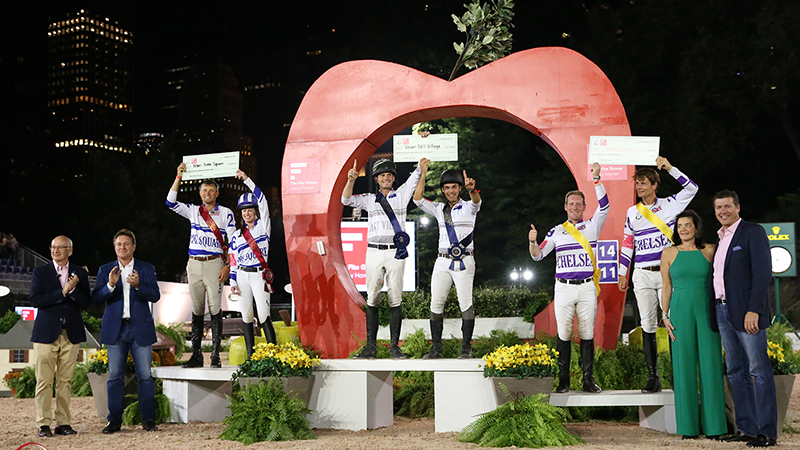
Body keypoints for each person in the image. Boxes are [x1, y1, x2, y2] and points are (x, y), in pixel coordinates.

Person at [618, 157, 698, 393]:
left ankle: (679, 375)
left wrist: (671, 168)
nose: (639, 187)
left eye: (644, 183)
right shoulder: (632, 212)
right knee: (648, 325)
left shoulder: (670, 205)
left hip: (667, 274)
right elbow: (627, 244)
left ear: (655, 185)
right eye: (637, 183)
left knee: (675, 323)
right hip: (642, 274)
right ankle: (653, 378)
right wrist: (623, 272)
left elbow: (692, 188)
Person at [529, 163, 607, 393]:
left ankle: (587, 380)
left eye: (578, 204)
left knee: (587, 334)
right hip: (563, 288)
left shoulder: (593, 226)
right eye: (571, 204)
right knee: (563, 333)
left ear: (584, 207)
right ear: (565, 207)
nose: (575, 207)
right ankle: (563, 381)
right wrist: (532, 241)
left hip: (586, 287)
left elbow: (605, 205)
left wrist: (597, 179)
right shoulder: (556, 231)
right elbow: (538, 255)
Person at [710, 190, 777, 447]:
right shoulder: (720, 238)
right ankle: (747, 428)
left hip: (747, 313)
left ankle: (767, 432)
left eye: (727, 206)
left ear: (738, 207)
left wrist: (754, 310)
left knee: (758, 371)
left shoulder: (753, 232)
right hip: (723, 311)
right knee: (736, 372)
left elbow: (762, 274)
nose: (722, 211)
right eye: (718, 208)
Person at [342, 158, 424, 359]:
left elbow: (417, 174)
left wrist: (422, 154)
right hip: (374, 251)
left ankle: (395, 347)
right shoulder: (370, 198)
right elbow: (346, 200)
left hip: (396, 251)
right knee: (373, 297)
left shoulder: (402, 194)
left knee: (395, 298)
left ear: (393, 178)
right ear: (376, 179)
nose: (386, 178)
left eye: (389, 175)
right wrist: (350, 180)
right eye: (382, 175)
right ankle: (371, 347)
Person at [660, 211, 726, 439]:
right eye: (680, 226)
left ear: (696, 227)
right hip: (679, 311)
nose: (683, 229)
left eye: (688, 225)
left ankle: (716, 427)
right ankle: (687, 428)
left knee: (711, 365)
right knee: (683, 367)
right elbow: (666, 287)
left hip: (707, 310)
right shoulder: (668, 253)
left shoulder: (709, 250)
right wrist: (665, 316)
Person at [92, 229, 161, 433]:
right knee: (114, 377)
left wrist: (139, 286)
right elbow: (96, 298)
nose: (122, 247)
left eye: (126, 244)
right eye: (118, 244)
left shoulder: (146, 269)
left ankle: (148, 420)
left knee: (145, 377)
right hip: (116, 330)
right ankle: (114, 421)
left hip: (140, 329)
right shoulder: (106, 269)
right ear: (114, 247)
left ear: (133, 246)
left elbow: (155, 295)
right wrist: (110, 286)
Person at [167, 163, 236, 368]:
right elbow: (170, 202)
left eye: (211, 190)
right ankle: (196, 355)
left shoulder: (226, 213)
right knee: (196, 309)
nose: (207, 193)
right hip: (194, 264)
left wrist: (228, 266)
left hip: (215, 264)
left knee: (215, 308)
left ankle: (214, 355)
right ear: (199, 193)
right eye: (204, 190)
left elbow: (233, 242)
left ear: (217, 193)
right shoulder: (193, 211)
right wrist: (178, 177)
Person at [413, 161, 481, 359]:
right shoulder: (438, 208)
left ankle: (466, 348)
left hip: (465, 261)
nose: (450, 191)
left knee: (465, 303)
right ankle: (436, 348)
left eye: (454, 187)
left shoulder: (469, 207)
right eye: (446, 188)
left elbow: (476, 200)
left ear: (460, 188)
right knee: (436, 303)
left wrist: (472, 189)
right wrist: (423, 174)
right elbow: (417, 199)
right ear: (443, 190)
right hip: (442, 260)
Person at [29, 235, 91, 438]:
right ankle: (43, 423)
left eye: (60, 247)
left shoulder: (80, 273)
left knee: (65, 381)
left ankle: (63, 422)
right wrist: (63, 292)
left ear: (70, 250)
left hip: (70, 334)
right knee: (44, 381)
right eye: (53, 247)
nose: (55, 250)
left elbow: (85, 303)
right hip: (46, 334)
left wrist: (72, 291)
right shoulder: (40, 272)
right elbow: (36, 300)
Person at [229, 169, 276, 359]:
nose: (247, 213)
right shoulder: (236, 235)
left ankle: (274, 355)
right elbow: (233, 260)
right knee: (246, 317)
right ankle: (250, 357)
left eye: (250, 210)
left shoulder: (264, 226)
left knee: (264, 315)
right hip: (241, 276)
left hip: (259, 275)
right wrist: (232, 282)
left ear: (256, 211)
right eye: (244, 211)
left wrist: (247, 179)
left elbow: (263, 199)